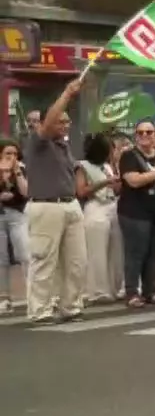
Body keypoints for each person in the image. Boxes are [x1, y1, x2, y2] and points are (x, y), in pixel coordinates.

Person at [22, 76, 87, 322]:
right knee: (44, 261)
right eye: (61, 121)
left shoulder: (63, 145)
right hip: (46, 206)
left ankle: (70, 306)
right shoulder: (38, 142)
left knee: (76, 262)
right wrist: (68, 94)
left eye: (67, 122)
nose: (64, 125)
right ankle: (39, 310)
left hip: (70, 204)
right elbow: (48, 123)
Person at [114, 120, 155, 308]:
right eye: (140, 132)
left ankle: (150, 291)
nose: (145, 136)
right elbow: (134, 181)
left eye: (149, 132)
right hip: (134, 212)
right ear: (135, 135)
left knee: (154, 254)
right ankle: (132, 292)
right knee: (135, 253)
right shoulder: (129, 156)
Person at [74, 132, 122, 305]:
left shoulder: (108, 166)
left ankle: (114, 287)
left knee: (116, 250)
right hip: (95, 207)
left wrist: (117, 170)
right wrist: (105, 182)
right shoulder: (83, 166)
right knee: (97, 251)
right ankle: (97, 291)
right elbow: (81, 191)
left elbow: (116, 188)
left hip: (112, 205)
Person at [0, 140, 25, 314]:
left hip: (17, 213)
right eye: (8, 153)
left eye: (15, 154)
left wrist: (17, 172)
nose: (12, 157)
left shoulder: (21, 169)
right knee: (1, 258)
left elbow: (25, 192)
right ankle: (4, 297)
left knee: (24, 251)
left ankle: (35, 293)